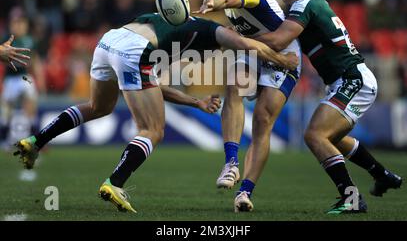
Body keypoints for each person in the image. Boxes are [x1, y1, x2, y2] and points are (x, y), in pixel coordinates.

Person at [14, 12, 298, 213]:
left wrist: (195, 103)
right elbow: (249, 44)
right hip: (133, 51)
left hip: (110, 41)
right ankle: (114, 183)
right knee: (153, 130)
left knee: (98, 107)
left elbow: (151, 84)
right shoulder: (213, 31)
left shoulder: (168, 32)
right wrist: (283, 60)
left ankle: (35, 142)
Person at [253, 0, 402, 214]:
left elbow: (278, 41)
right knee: (333, 138)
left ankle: (351, 198)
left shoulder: (304, 4)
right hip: (348, 79)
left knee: (315, 135)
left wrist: (238, 39)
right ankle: (382, 174)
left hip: (353, 79)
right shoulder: (315, 2)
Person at [195, 0, 301, 212]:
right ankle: (231, 164)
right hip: (255, 49)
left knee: (262, 122)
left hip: (284, 55)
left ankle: (245, 192)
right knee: (234, 86)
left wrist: (216, 3)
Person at [1, 13, 41, 147]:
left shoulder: (31, 41)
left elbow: (35, 61)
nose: (18, 26)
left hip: (24, 77)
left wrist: (40, 79)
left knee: (31, 95)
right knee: (7, 109)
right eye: (16, 23)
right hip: (10, 78)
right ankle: (6, 139)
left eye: (21, 23)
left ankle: (34, 138)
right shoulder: (5, 39)